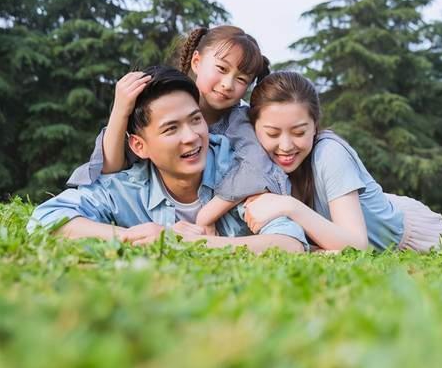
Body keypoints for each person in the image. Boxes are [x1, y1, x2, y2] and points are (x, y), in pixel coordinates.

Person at [28, 66, 308, 254]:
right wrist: (132, 236)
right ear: (139, 145)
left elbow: (291, 242)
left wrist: (193, 242)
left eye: (196, 120)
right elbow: (45, 220)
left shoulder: (238, 172)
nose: (192, 137)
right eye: (171, 128)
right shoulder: (127, 188)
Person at [242, 71, 442, 253]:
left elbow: (357, 245)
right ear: (255, 128)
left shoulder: (329, 153)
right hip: (372, 210)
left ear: (315, 125)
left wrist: (289, 206)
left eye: (299, 132)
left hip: (406, 233)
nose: (286, 145)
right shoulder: (258, 159)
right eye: (273, 133)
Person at [66, 25, 287, 235]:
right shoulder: (165, 98)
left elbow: (257, 168)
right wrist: (120, 110)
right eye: (221, 69)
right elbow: (110, 169)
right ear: (197, 61)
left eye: (241, 79)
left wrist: (206, 216)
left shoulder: (240, 122)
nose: (228, 84)